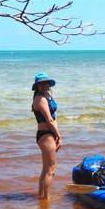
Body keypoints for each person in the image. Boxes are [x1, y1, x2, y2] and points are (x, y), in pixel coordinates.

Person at [31, 72, 62, 200]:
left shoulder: (47, 96)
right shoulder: (40, 99)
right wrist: (59, 136)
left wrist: (56, 135)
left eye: (46, 83)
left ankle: (41, 196)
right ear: (37, 86)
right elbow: (49, 120)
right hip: (46, 135)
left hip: (49, 134)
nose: (44, 85)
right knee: (51, 169)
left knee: (45, 168)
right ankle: (47, 199)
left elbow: (54, 119)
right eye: (41, 83)